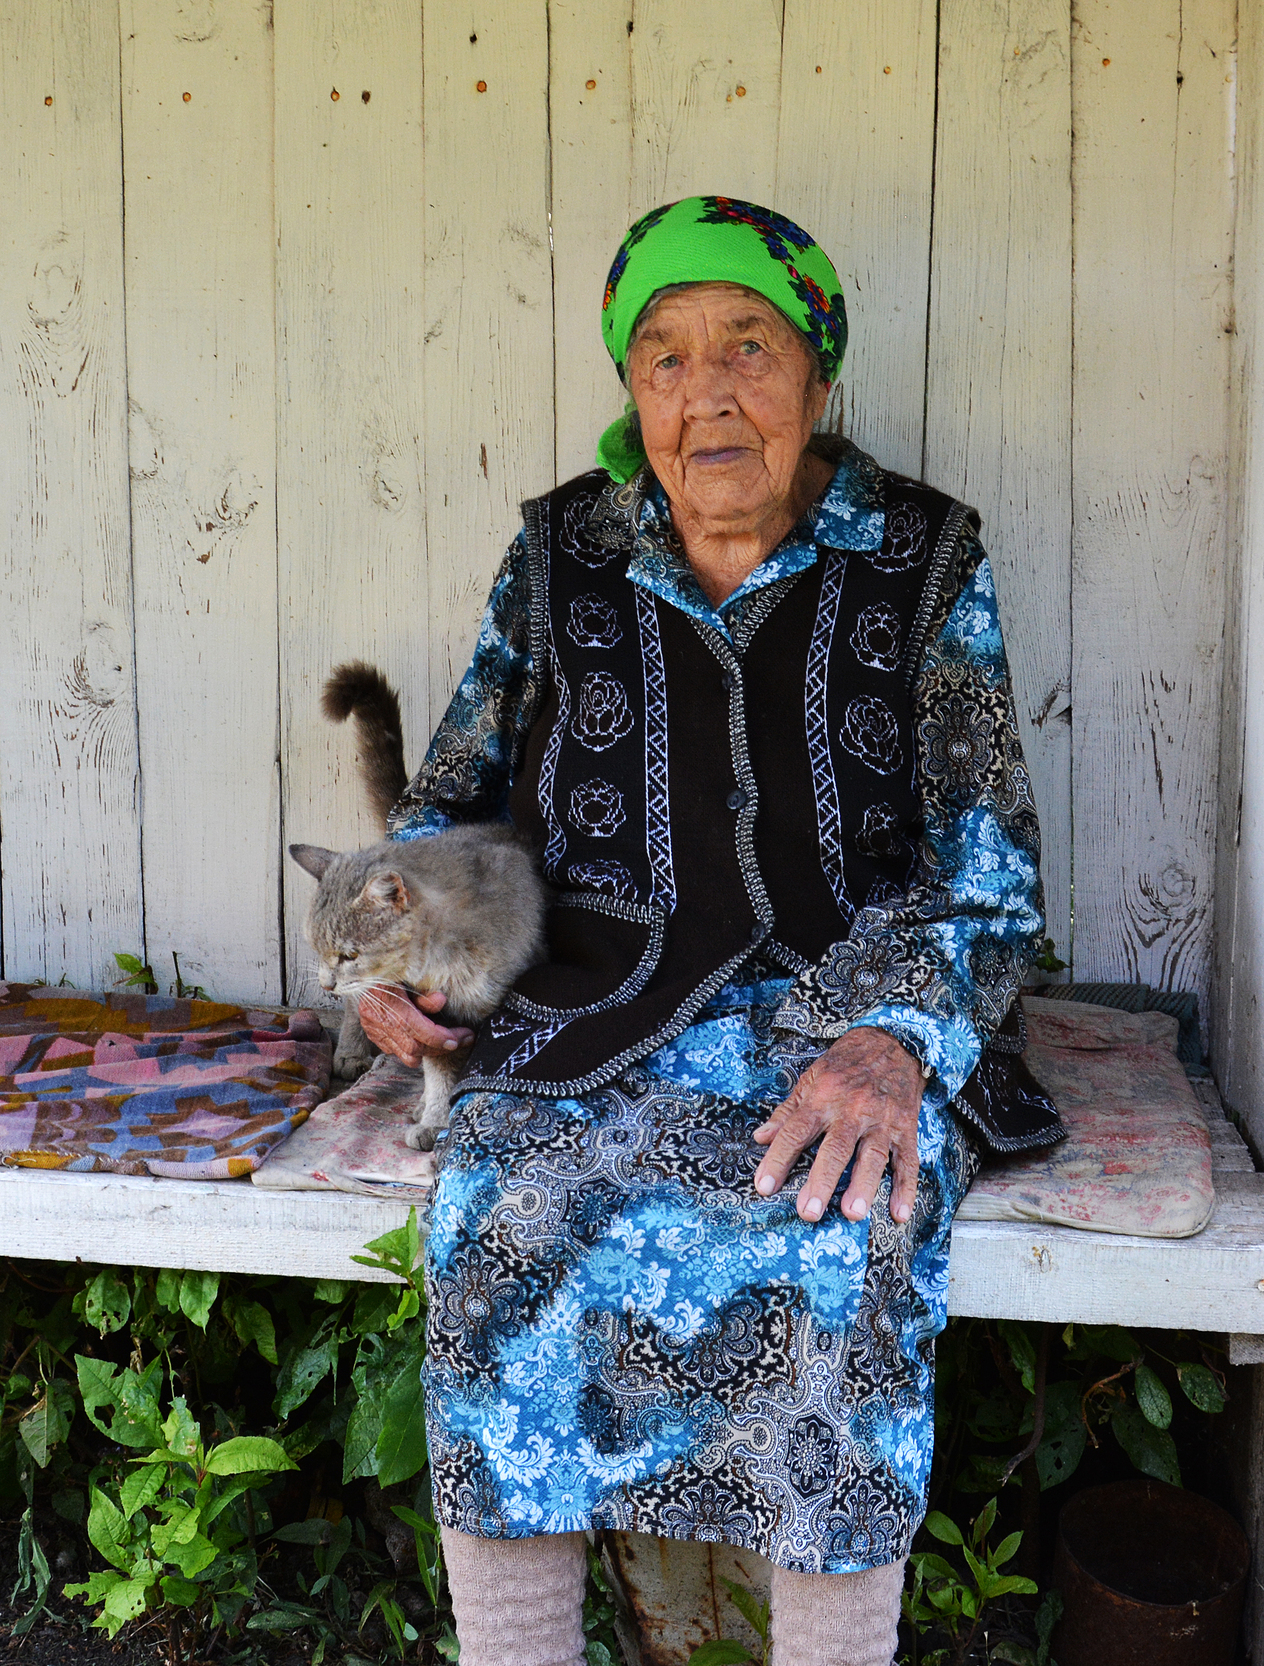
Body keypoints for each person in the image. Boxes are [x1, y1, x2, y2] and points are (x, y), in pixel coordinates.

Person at [357, 196, 1062, 1666]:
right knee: (503, 1208)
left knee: (843, 1228)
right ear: (633, 395)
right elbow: (447, 815)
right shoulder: (564, 553)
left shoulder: (922, 558)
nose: (709, 391)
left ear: (819, 381)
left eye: (749, 344)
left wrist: (892, 1043)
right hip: (592, 1007)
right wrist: (403, 957)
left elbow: (989, 868)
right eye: (666, 358)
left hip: (848, 1014)